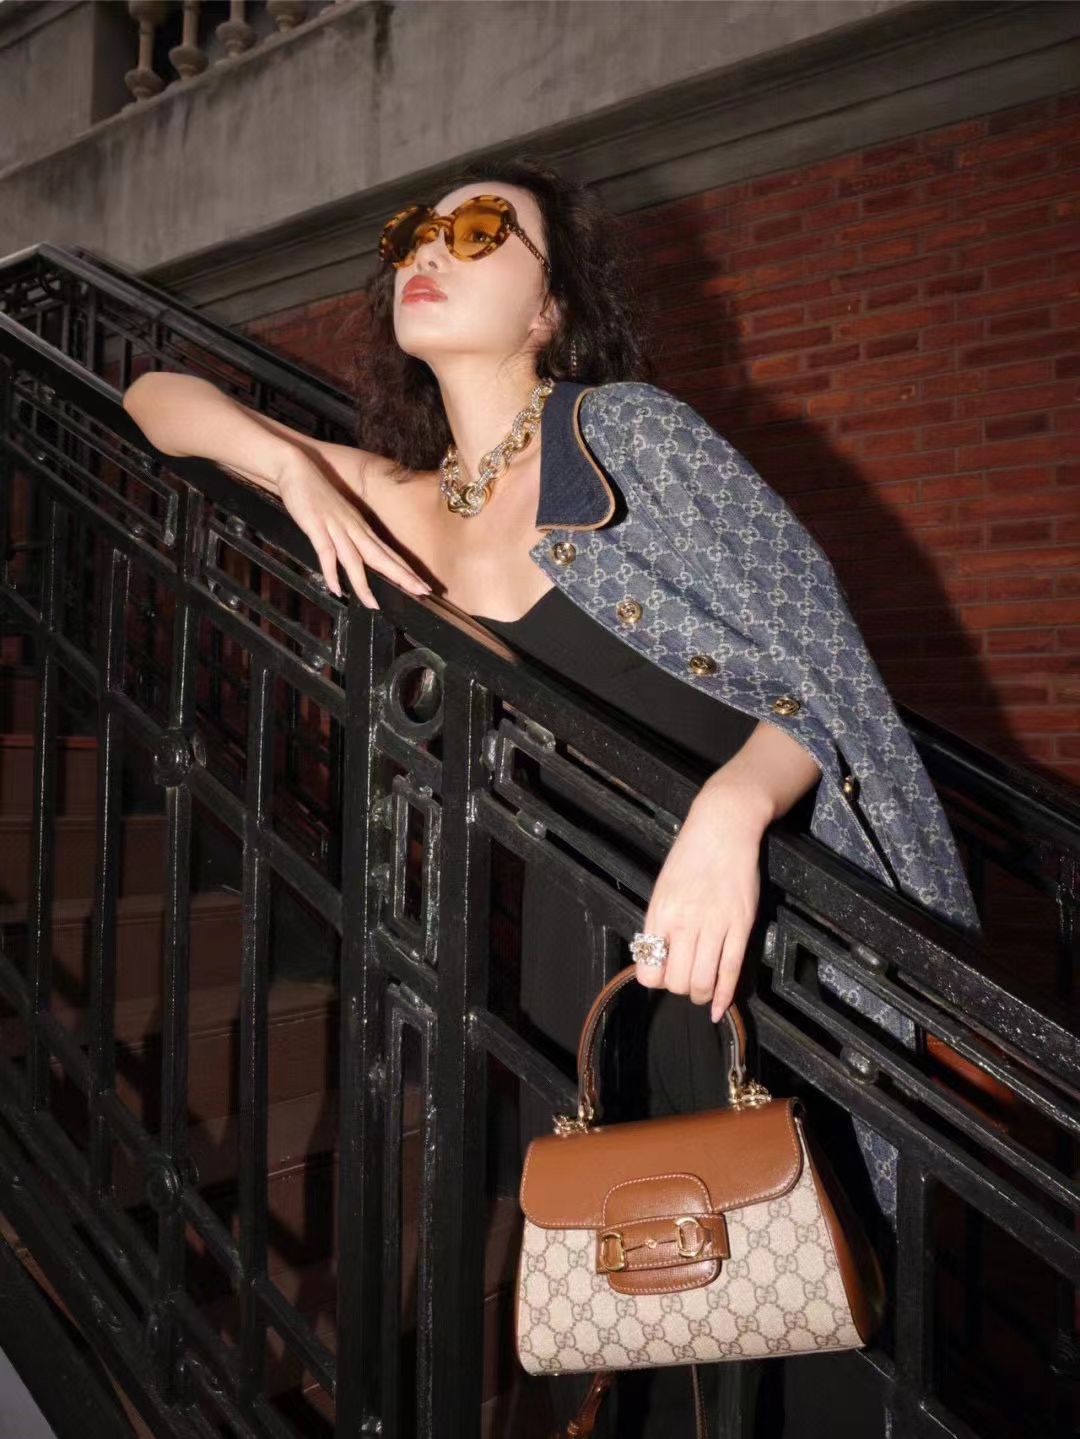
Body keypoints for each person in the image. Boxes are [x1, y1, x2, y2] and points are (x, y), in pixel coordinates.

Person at [122, 157, 980, 1436]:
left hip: (748, 936)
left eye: (481, 230)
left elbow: (824, 669)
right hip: (581, 972)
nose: (432, 249)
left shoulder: (628, 438)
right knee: (636, 1321)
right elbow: (153, 396)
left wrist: (734, 809)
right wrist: (291, 469)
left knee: (805, 1330)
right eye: (413, 233)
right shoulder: (402, 500)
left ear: (549, 307)